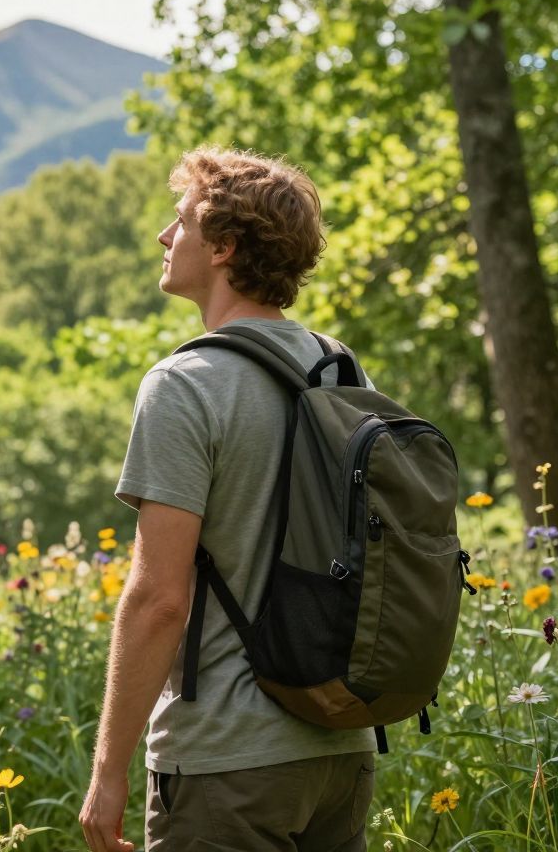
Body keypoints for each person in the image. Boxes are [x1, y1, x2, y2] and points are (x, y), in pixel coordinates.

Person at [79, 147, 376, 852]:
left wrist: (108, 773)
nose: (163, 236)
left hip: (226, 763)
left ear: (225, 246)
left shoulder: (185, 384)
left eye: (180, 220)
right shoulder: (337, 366)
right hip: (341, 745)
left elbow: (159, 600)